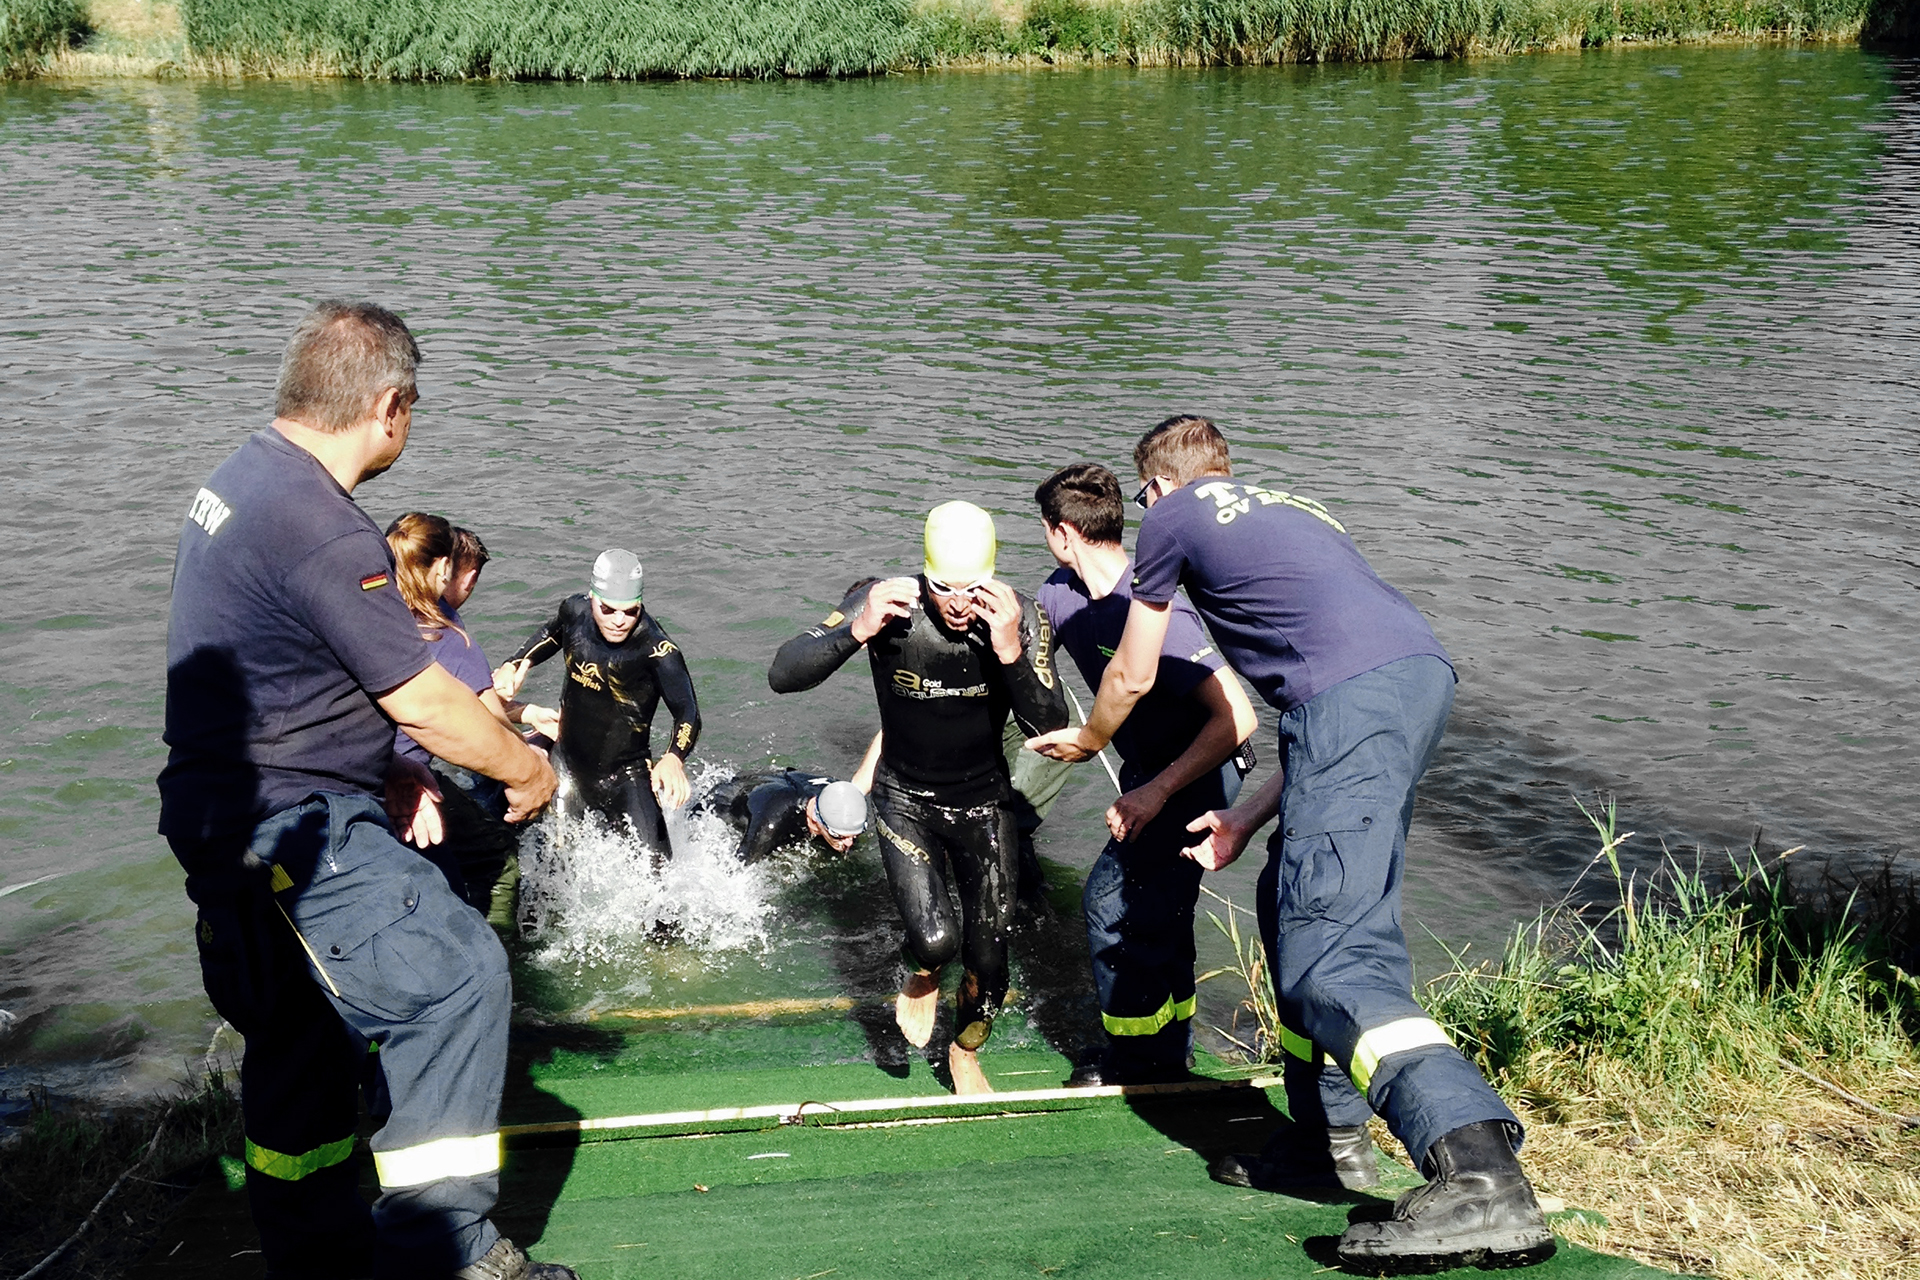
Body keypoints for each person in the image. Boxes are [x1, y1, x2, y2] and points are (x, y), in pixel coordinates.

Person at [1028, 416, 1555, 1274]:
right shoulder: (1295, 510)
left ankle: (1480, 1172)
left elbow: (1131, 671)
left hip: (1359, 701)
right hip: (1407, 681)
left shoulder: (1173, 513)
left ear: (1157, 487)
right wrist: (1244, 817)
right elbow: (1327, 707)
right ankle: (1328, 1140)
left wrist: (1090, 741)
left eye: (1147, 497)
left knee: (1336, 956)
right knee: (1288, 903)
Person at [157, 301, 572, 1280]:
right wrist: (527, 768)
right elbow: (427, 701)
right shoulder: (323, 527)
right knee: (459, 977)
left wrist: (380, 761)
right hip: (290, 824)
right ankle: (448, 1252)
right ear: (390, 407)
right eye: (411, 408)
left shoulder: (241, 477)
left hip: (222, 812)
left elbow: (279, 663)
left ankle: (315, 1254)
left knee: (298, 1041)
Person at [768, 501, 1067, 1095]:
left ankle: (963, 1051)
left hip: (984, 803)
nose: (958, 604)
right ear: (925, 573)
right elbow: (783, 674)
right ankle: (923, 969)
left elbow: (1050, 726)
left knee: (990, 960)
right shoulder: (886, 603)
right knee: (936, 940)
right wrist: (857, 629)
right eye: (944, 588)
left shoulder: (1021, 616)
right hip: (905, 798)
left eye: (972, 588)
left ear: (992, 575)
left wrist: (1009, 649)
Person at [1032, 463, 1259, 1086]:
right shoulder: (1059, 593)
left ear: (1062, 532)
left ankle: (1135, 1063)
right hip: (1146, 768)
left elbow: (1238, 720)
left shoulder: (1157, 608)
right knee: (1163, 911)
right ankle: (1170, 1049)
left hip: (1199, 772)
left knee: (1112, 903)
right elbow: (1028, 665)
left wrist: (1156, 790)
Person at [492, 549, 700, 855]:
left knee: (657, 869)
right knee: (553, 856)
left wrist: (673, 758)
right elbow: (550, 633)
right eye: (608, 610)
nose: (619, 621)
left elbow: (688, 711)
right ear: (592, 598)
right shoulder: (575, 612)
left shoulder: (658, 651)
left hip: (626, 774)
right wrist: (514, 663)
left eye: (630, 611)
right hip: (567, 763)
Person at [384, 513, 530, 917]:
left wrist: (526, 710)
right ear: (444, 568)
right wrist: (529, 751)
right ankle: (495, 946)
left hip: (348, 771)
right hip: (404, 780)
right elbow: (490, 724)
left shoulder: (365, 609)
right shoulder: (447, 634)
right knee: (498, 859)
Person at [693, 770, 870, 864]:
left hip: (778, 781)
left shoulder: (843, 799)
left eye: (853, 834)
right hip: (725, 799)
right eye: (839, 836)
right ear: (816, 819)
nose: (849, 842)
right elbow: (737, 869)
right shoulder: (773, 821)